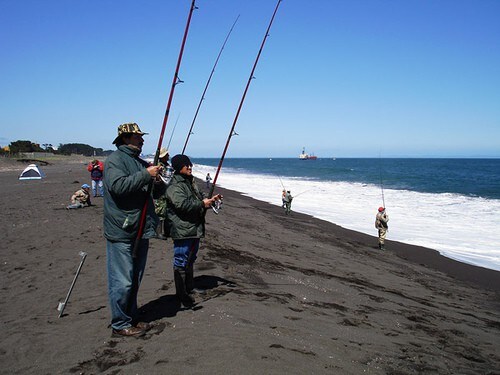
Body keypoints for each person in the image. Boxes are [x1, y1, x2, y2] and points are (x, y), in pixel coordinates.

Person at [103, 122, 165, 337]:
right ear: (126, 138)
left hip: (140, 228)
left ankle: (131, 316)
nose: (142, 140)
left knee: (135, 278)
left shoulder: (138, 162)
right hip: (122, 230)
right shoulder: (114, 161)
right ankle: (120, 323)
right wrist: (146, 174)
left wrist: (157, 180)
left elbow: (156, 193)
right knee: (122, 280)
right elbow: (119, 187)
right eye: (138, 137)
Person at [166, 154, 222, 307]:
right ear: (179, 168)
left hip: (194, 228)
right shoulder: (175, 185)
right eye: (186, 165)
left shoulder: (190, 182)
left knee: (190, 258)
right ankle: (182, 294)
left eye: (190, 165)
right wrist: (201, 204)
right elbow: (182, 204)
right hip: (183, 229)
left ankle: (189, 288)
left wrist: (211, 200)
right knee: (181, 260)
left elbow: (199, 198)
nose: (190, 167)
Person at [154, 147, 173, 240]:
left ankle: (167, 231)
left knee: (167, 212)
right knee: (160, 212)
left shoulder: (167, 165)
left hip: (167, 192)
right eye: (167, 155)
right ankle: (159, 233)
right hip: (160, 193)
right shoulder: (158, 166)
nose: (169, 156)